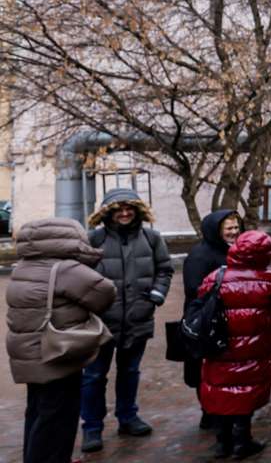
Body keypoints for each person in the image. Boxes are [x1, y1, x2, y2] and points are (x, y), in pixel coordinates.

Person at [7, 218, 116, 463]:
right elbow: (105, 293)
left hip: (29, 355)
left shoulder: (22, 266)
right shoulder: (65, 269)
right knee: (58, 416)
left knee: (37, 412)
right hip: (58, 353)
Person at [81, 188, 174, 454]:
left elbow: (165, 270)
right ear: (108, 212)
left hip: (138, 317)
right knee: (94, 376)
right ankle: (92, 428)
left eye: (129, 208)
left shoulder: (152, 238)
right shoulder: (93, 240)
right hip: (100, 322)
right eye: (118, 209)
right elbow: (79, 275)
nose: (124, 213)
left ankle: (128, 418)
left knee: (130, 372)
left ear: (137, 211)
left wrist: (155, 297)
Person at [198, 230, 271, 458]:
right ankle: (242, 442)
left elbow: (201, 301)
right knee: (245, 393)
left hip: (219, 346)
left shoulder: (216, 276)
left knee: (221, 391)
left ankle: (223, 443)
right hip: (254, 347)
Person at [182, 209, 241, 430]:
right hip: (205, 321)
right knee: (204, 370)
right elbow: (194, 289)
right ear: (216, 231)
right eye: (229, 228)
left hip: (228, 320)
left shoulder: (235, 251)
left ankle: (224, 412)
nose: (234, 232)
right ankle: (208, 412)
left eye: (236, 228)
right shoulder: (200, 255)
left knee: (224, 369)